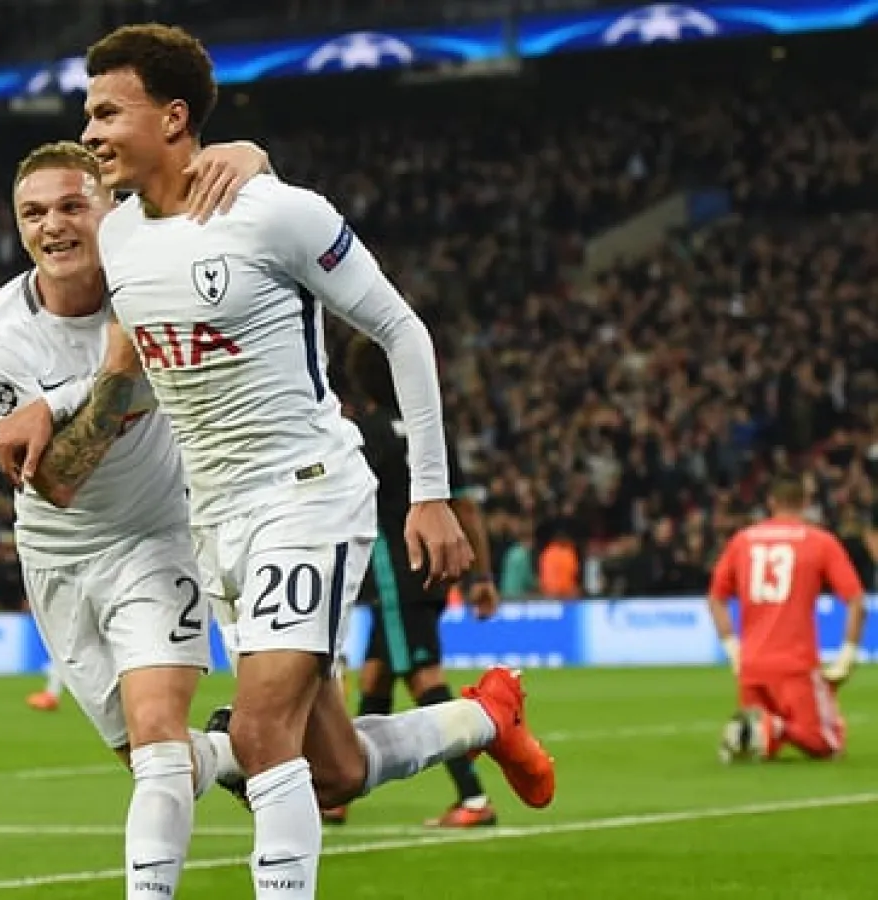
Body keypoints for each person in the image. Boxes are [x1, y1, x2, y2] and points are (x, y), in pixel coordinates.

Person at [69, 24, 555, 898]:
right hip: (212, 519)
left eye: (109, 111)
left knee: (261, 739)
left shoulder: (276, 211)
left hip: (306, 496)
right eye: (87, 112)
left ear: (174, 118)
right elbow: (62, 288)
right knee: (330, 767)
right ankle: (484, 717)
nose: (93, 130)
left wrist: (432, 496)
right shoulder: (119, 240)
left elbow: (403, 330)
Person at [0, 138, 268, 899]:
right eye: (33, 213)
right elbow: (59, 480)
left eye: (72, 204)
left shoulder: (155, 273)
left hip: (160, 535)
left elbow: (249, 185)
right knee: (154, 760)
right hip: (58, 559)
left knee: (161, 743)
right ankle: (237, 752)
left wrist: (250, 153)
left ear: (113, 208)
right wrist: (104, 379)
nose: (53, 225)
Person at [326, 336, 502, 828]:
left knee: (424, 679)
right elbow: (465, 505)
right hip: (432, 572)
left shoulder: (366, 434)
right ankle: (340, 789)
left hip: (393, 570)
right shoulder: (431, 433)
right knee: (376, 676)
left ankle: (473, 799)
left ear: (362, 381)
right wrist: (482, 575)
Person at [708, 475, 867, 762]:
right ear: (806, 503)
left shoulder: (742, 540)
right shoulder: (819, 542)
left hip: (752, 665)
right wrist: (847, 654)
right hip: (795, 664)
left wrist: (733, 649)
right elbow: (856, 601)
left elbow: (715, 598)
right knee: (828, 745)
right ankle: (771, 726)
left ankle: (753, 732)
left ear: (771, 502)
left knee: (766, 747)